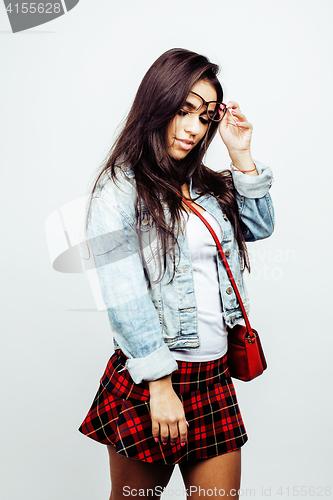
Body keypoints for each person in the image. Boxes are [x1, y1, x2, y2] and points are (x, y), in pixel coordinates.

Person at [79, 48, 274, 499]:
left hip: (214, 376)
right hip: (154, 380)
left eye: (205, 117)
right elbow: (122, 291)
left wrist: (241, 154)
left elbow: (259, 226)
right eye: (183, 110)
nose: (193, 128)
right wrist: (160, 387)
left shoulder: (205, 185)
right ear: (157, 104)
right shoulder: (120, 187)